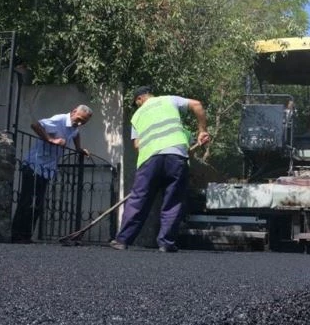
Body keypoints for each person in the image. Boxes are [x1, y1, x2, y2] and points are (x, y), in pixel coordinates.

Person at [110, 85, 209, 252]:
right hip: (176, 156)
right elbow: (197, 105)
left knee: (138, 199)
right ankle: (166, 243)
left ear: (139, 99)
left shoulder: (137, 115)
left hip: (149, 159)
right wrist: (202, 131)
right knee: (173, 200)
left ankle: (122, 240)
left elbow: (137, 145)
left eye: (137, 103)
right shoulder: (169, 100)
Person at [11, 105, 93, 243]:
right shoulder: (59, 119)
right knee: (27, 201)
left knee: (37, 204)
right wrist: (50, 139)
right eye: (79, 119)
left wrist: (79, 148)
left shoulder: (74, 127)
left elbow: (76, 133)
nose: (79, 124)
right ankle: (16, 235)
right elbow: (36, 125)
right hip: (34, 165)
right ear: (73, 112)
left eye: (83, 123)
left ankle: (26, 236)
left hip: (47, 169)